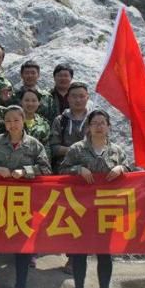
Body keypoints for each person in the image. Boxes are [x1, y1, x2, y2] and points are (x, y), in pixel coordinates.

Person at [0, 105, 51, 288]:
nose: (12, 124)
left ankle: (20, 287)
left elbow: (46, 169)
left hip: (24, 203)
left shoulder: (34, 145)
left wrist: (26, 171)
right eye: (8, 121)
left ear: (23, 121)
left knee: (22, 244)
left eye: (16, 120)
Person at [59, 109, 129, 288]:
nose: (99, 126)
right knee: (79, 252)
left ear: (108, 126)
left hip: (106, 209)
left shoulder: (116, 151)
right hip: (81, 209)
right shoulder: (77, 149)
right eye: (94, 123)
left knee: (104, 253)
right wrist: (78, 169)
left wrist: (122, 168)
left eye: (102, 123)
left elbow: (131, 172)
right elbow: (62, 170)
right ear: (88, 127)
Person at [49, 82, 91, 275]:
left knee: (86, 217)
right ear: (68, 98)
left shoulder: (95, 119)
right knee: (69, 217)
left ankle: (80, 257)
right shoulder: (61, 120)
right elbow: (54, 147)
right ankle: (72, 257)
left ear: (87, 97)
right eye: (74, 96)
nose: (78, 100)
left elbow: (103, 143)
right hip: (66, 174)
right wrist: (77, 151)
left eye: (81, 96)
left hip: (89, 176)